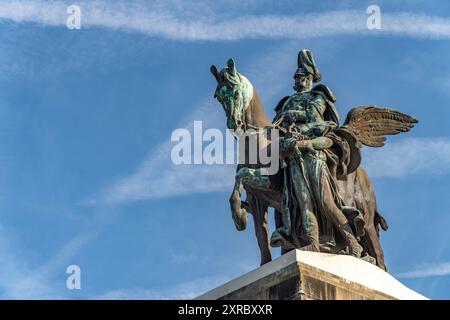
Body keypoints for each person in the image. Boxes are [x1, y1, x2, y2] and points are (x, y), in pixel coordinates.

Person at [270, 49, 363, 257]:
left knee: (327, 203)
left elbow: (316, 120)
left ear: (309, 77)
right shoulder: (287, 101)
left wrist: (296, 122)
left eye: (300, 77)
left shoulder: (317, 96)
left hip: (314, 157)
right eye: (295, 77)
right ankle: (312, 241)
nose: (297, 81)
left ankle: (353, 243)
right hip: (293, 158)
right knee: (303, 201)